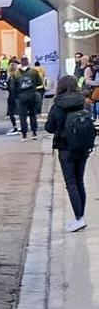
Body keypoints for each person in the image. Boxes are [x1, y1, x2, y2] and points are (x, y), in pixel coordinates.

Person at [44, 73, 93, 231]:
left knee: (70, 183)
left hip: (65, 148)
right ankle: (80, 216)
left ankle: (78, 218)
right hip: (83, 146)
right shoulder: (84, 102)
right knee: (79, 181)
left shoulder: (57, 105)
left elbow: (49, 128)